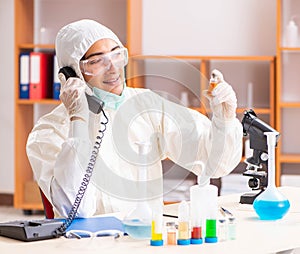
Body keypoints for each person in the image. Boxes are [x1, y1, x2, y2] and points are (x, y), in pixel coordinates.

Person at [26, 19, 243, 218]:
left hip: (147, 240)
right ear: (71, 73)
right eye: (97, 61)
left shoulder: (147, 105)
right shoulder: (48, 132)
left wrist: (223, 122)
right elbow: (76, 208)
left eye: (116, 54)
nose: (113, 68)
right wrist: (78, 122)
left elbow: (213, 165)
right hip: (88, 245)